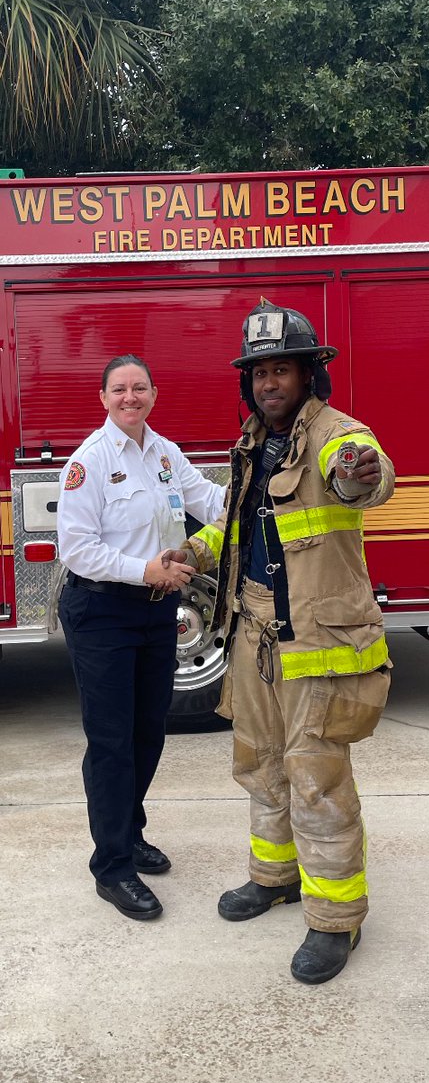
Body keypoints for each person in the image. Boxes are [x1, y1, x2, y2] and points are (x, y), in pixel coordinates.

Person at [163, 298, 395, 983]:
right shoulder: (251, 444)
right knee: (260, 768)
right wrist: (196, 555)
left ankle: (334, 922)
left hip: (316, 644)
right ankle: (274, 876)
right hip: (252, 632)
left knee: (315, 780)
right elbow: (237, 529)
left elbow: (366, 477)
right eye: (259, 372)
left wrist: (359, 469)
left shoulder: (335, 434)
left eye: (282, 370)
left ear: (307, 375)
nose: (269, 383)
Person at [57, 354, 226, 922]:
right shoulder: (89, 462)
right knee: (111, 742)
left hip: (157, 614)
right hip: (102, 611)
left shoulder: (164, 454)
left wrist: (262, 489)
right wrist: (143, 571)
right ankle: (111, 868)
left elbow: (208, 501)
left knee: (148, 733)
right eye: (119, 390)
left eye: (140, 388)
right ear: (103, 398)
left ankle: (129, 835)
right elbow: (77, 550)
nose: (130, 398)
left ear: (155, 394)